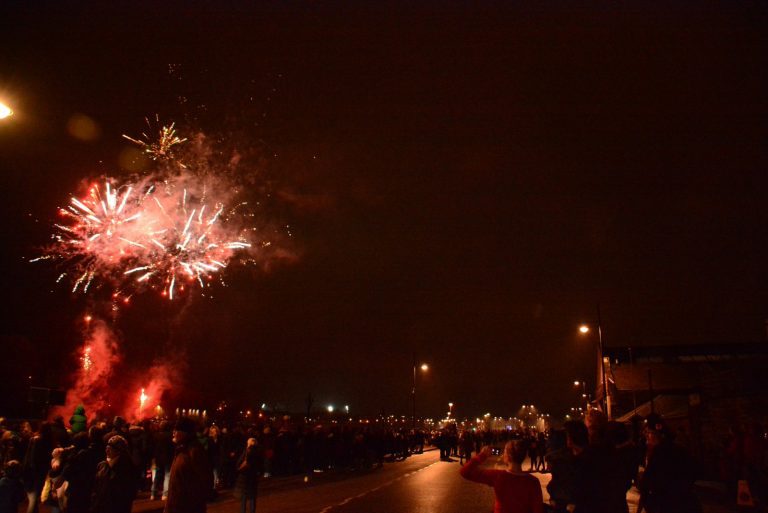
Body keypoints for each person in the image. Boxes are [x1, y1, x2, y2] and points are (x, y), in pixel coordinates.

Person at [460, 442, 544, 513]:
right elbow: (538, 509)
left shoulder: (498, 476)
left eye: (504, 452)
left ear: (508, 457)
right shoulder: (533, 481)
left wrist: (482, 455)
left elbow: (465, 471)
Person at [637, 420, 701, 513]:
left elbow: (647, 483)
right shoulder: (679, 449)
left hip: (668, 503)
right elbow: (695, 470)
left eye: (648, 432)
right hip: (683, 501)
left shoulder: (659, 453)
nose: (646, 436)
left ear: (657, 435)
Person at [164, 417, 211, 513]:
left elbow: (205, 481)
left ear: (184, 433)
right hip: (176, 505)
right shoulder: (181, 449)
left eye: (176, 430)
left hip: (186, 507)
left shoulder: (195, 451)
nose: (173, 433)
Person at [91, 435, 137, 513]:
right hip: (102, 506)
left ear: (118, 451)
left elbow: (129, 490)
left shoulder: (126, 466)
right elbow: (97, 485)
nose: (107, 451)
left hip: (117, 507)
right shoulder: (102, 465)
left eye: (110, 449)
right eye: (106, 448)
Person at [234, 438, 262, 513]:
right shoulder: (259, 452)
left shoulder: (247, 451)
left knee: (244, 496)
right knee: (253, 496)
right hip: (254, 476)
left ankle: (243, 511)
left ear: (249, 444)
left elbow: (239, 462)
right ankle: (252, 511)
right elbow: (260, 465)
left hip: (245, 476)